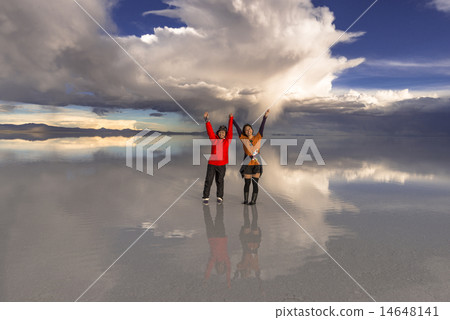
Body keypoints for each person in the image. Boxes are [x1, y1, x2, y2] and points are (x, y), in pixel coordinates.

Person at [233, 109, 270, 205]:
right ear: (244, 132)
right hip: (247, 163)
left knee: (255, 183)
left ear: (252, 130)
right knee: (247, 183)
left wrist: (264, 117)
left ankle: (253, 201)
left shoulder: (258, 136)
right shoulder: (243, 138)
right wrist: (232, 120)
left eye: (249, 129)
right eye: (246, 130)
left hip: (257, 164)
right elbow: (237, 129)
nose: (248, 130)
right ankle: (245, 200)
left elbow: (262, 127)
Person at [202, 112, 233, 205]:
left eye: (223, 132)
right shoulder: (214, 139)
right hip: (212, 164)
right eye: (220, 132)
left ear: (225, 134)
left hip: (222, 165)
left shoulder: (227, 141)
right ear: (218, 133)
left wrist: (231, 119)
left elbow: (231, 131)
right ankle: (206, 196)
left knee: (220, 181)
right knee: (209, 180)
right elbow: (210, 131)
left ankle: (220, 196)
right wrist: (207, 120)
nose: (221, 133)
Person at [203, 204, 231, 288]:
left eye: (219, 269)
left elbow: (209, 268)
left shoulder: (213, 259)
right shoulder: (226, 258)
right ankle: (220, 205)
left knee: (208, 219)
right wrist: (228, 282)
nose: (220, 267)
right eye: (222, 269)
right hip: (221, 236)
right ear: (224, 267)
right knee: (219, 218)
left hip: (211, 237)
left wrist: (206, 279)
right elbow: (229, 270)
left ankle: (206, 207)